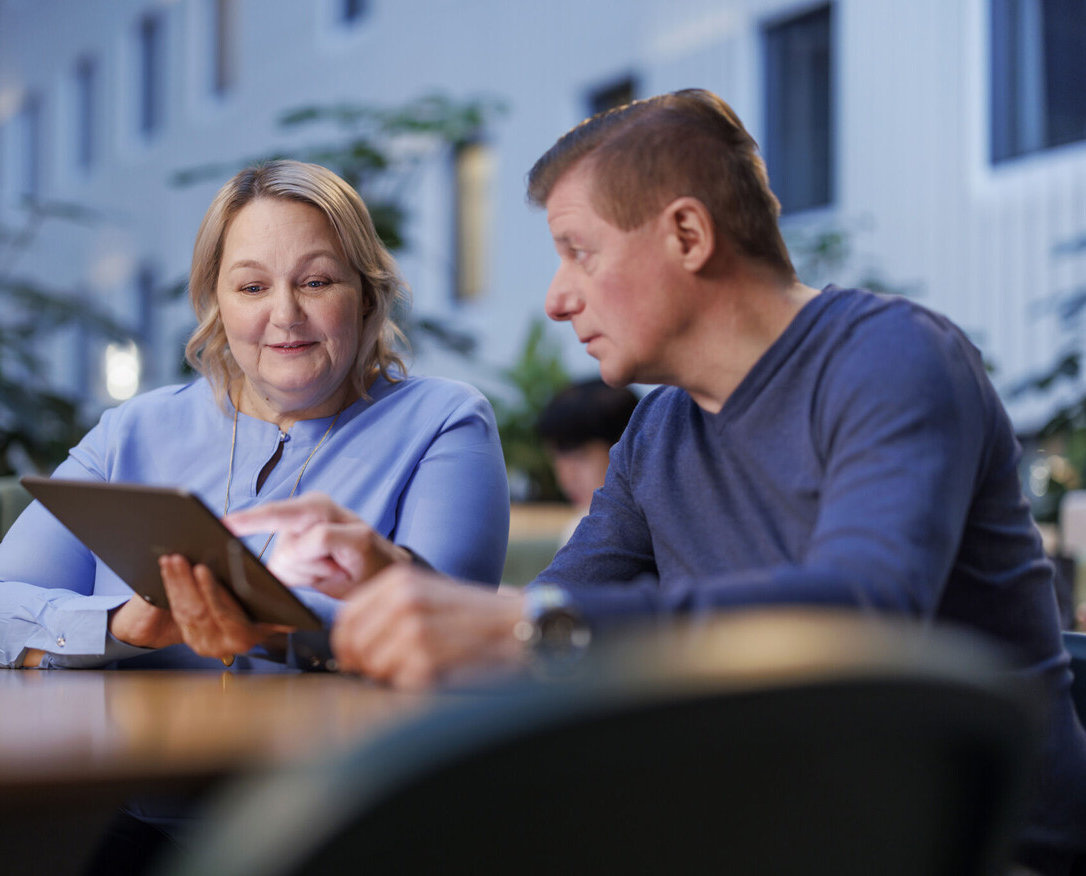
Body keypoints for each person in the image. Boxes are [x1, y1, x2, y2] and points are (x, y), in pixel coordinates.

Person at [229, 91, 1086, 872]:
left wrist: (518, 626)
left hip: (971, 850)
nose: (557, 299)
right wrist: (395, 587)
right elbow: (550, 625)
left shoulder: (893, 357)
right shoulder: (660, 430)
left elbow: (862, 611)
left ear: (688, 235)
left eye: (578, 251)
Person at [0, 159, 509, 673]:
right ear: (217, 304)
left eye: (316, 282)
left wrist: (268, 630)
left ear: (366, 295)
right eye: (252, 287)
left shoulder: (443, 421)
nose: (286, 315)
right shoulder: (130, 431)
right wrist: (119, 625)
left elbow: (449, 633)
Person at [535, 378, 639, 544]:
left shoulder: (586, 532)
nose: (566, 477)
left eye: (579, 457)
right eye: (556, 459)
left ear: (624, 448)